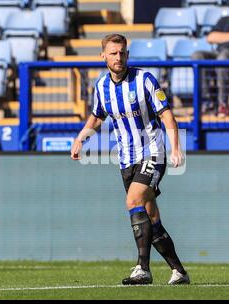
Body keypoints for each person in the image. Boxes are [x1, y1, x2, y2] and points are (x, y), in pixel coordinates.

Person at [70, 34, 190, 286]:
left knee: (133, 199)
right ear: (103, 55)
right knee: (151, 217)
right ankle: (179, 272)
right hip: (126, 159)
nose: (119, 57)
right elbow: (97, 116)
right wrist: (82, 137)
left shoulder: (144, 79)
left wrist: (176, 148)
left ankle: (142, 269)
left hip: (153, 152)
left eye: (122, 52)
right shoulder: (101, 87)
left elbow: (167, 116)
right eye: (113, 53)